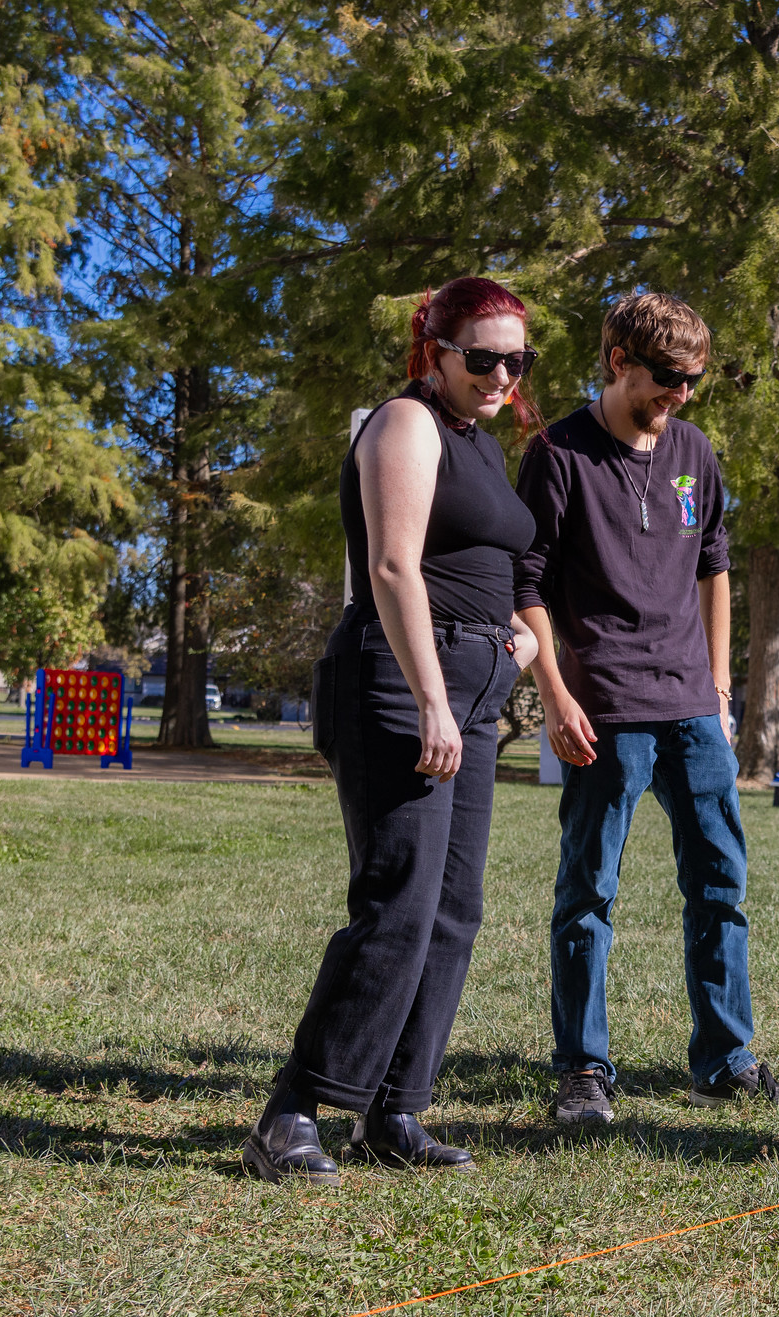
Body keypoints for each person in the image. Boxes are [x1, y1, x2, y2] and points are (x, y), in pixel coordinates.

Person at [243, 277, 543, 1184]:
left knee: (453, 908)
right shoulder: (406, 423)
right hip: (399, 680)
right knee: (399, 900)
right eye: (482, 357)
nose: (501, 375)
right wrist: (431, 698)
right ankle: (291, 1111)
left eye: (517, 361)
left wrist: (520, 642)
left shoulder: (479, 442)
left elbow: (492, 565)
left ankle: (394, 1111)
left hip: (471, 688)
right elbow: (392, 567)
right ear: (436, 351)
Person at [514, 292, 779, 1123]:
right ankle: (583, 1070)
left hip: (692, 707)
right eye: (667, 377)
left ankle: (723, 1064)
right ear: (618, 360)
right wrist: (555, 694)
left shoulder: (693, 449)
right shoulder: (557, 454)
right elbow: (527, 584)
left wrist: (719, 690)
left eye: (693, 380)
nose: (680, 394)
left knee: (721, 885)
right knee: (588, 892)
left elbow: (713, 566)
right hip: (605, 708)